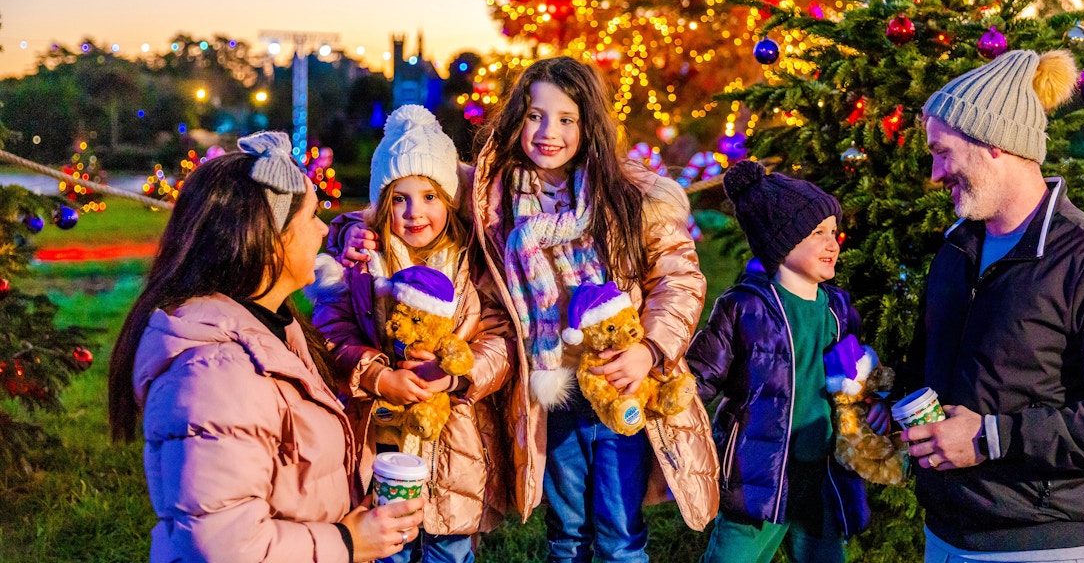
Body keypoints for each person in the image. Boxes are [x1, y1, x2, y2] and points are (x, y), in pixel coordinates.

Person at [901, 49, 1084, 562]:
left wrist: (990, 438)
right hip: (944, 534)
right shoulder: (956, 250)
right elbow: (930, 367)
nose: (936, 173)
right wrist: (889, 400)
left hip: (1042, 544)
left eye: (942, 152)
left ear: (993, 143)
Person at [107, 132, 423, 563]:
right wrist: (347, 542)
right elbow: (224, 544)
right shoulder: (216, 376)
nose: (324, 229)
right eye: (311, 216)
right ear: (270, 239)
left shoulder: (272, 327)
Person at [471, 56, 717, 561]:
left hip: (621, 381)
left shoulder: (628, 196)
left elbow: (678, 277)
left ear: (589, 126)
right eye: (535, 116)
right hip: (552, 390)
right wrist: (353, 232)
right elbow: (410, 191)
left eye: (567, 119)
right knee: (566, 532)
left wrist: (650, 350)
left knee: (619, 532)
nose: (549, 132)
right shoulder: (494, 201)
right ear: (517, 118)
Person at [310, 105, 509, 563]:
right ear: (381, 205)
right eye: (399, 198)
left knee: (448, 549)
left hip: (455, 440)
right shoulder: (363, 264)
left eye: (429, 196)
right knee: (387, 547)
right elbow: (330, 330)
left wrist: (458, 373)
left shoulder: (473, 263)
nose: (414, 212)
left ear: (450, 200)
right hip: (382, 437)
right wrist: (378, 375)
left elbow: (501, 336)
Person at [686, 160, 888, 563]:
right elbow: (698, 377)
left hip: (820, 471)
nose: (833, 244)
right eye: (818, 233)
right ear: (781, 242)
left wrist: (875, 400)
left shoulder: (836, 309)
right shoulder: (745, 308)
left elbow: (855, 373)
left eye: (833, 232)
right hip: (759, 475)